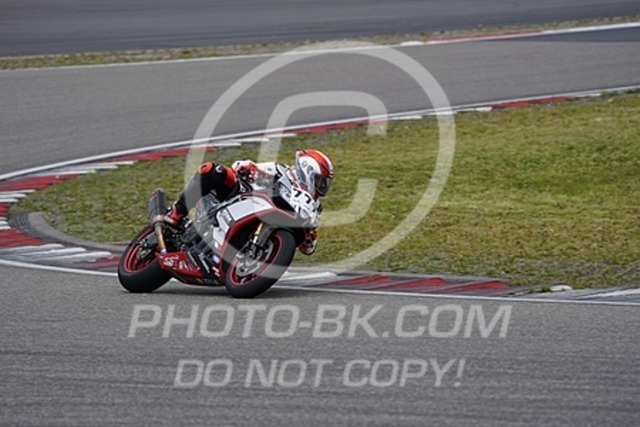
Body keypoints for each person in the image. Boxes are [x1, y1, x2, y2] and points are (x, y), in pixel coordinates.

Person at [164, 149, 335, 255]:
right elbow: (243, 165)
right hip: (240, 197)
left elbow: (308, 249)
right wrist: (249, 168)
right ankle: (177, 213)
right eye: (320, 181)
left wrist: (310, 236)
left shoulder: (314, 207)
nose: (322, 187)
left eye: (324, 183)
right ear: (307, 171)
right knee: (214, 170)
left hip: (265, 218)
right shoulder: (282, 171)